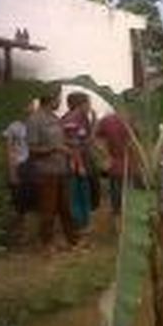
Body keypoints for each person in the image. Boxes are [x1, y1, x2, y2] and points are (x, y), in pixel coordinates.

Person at [26, 86, 78, 253]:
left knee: (66, 208)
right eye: (58, 98)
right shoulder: (35, 120)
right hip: (45, 172)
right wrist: (54, 149)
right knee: (48, 210)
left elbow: (58, 142)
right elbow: (32, 149)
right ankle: (47, 244)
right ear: (51, 98)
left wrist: (69, 144)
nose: (60, 101)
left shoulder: (54, 118)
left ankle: (73, 242)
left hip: (61, 170)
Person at [61, 92, 94, 233]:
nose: (90, 106)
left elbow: (87, 140)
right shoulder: (71, 119)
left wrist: (95, 120)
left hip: (83, 159)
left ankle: (84, 223)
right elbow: (73, 144)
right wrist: (79, 164)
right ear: (81, 104)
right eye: (88, 103)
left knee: (84, 191)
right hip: (74, 162)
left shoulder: (83, 118)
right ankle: (78, 224)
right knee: (77, 193)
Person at [3, 99, 37, 219]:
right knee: (19, 197)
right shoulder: (13, 126)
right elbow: (9, 149)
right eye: (28, 104)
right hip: (20, 164)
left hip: (34, 165)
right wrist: (12, 171)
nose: (30, 107)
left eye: (32, 104)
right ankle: (21, 219)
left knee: (34, 197)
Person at [95, 110, 133, 217]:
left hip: (116, 162)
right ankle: (120, 215)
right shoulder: (135, 120)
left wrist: (105, 154)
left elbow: (96, 139)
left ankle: (117, 214)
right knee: (122, 191)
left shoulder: (106, 120)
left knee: (116, 190)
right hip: (126, 162)